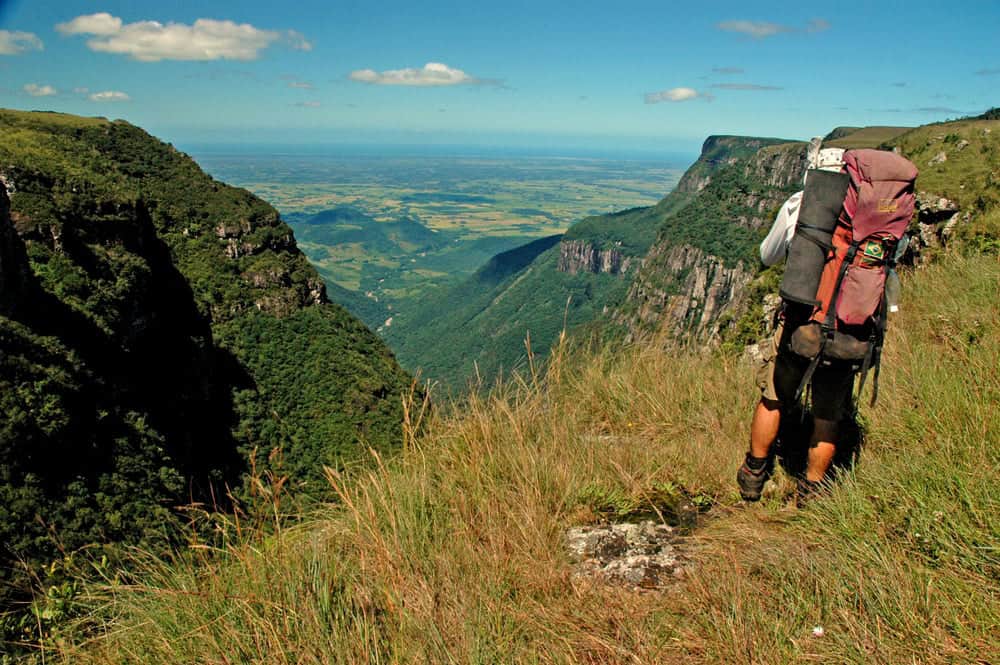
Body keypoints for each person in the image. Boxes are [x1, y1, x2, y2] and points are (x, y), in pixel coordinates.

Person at [737, 143, 852, 505]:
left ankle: (754, 475)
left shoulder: (798, 204)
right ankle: (812, 491)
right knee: (828, 412)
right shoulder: (865, 212)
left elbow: (767, 255)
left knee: (773, 397)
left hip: (800, 322)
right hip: (847, 327)